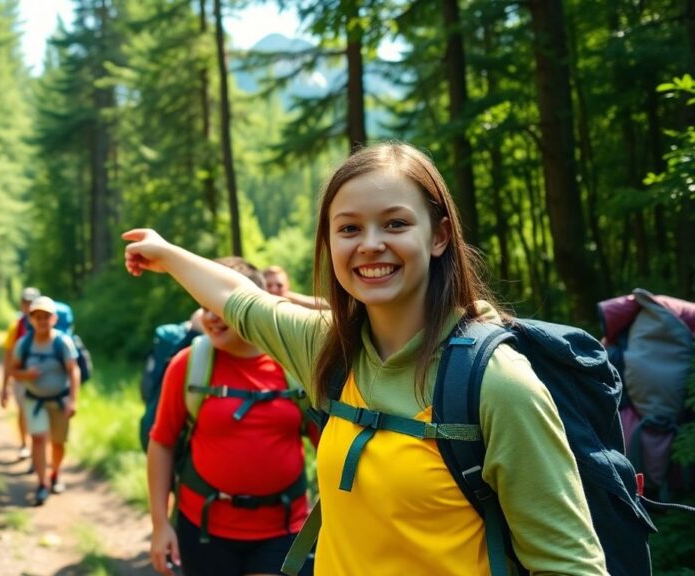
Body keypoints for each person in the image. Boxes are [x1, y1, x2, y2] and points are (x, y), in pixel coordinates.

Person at [123, 142, 607, 574]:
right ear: (330, 243)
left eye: (395, 223)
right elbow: (242, 299)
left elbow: (570, 564)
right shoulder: (330, 348)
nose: (370, 243)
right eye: (349, 228)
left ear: (439, 237)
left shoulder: (496, 384)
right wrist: (166, 254)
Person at [146, 257, 315, 576]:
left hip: (285, 529)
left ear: (252, 307)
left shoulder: (294, 366)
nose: (211, 318)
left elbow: (329, 443)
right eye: (204, 306)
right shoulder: (188, 364)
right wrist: (159, 524)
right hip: (203, 528)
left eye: (220, 306)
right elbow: (162, 443)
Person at [10, 296, 80, 506]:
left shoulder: (63, 343)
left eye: (45, 316)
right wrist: (26, 375)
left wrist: (72, 401)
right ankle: (42, 484)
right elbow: (13, 370)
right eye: (37, 316)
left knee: (58, 443)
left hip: (59, 400)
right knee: (38, 439)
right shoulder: (24, 344)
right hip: (34, 400)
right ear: (30, 319)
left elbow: (73, 371)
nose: (41, 320)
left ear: (54, 319)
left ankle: (55, 473)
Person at [1, 286, 40, 460]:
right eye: (25, 302)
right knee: (24, 412)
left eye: (31, 302)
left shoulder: (46, 323)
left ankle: (35, 449)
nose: (28, 305)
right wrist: (4, 388)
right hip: (21, 379)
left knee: (38, 414)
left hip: (42, 379)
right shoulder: (15, 327)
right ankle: (26, 444)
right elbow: (8, 358)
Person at [262, 265, 326, 310]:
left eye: (279, 285)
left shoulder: (294, 302)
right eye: (269, 285)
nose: (274, 289)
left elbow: (328, 305)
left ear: (287, 286)